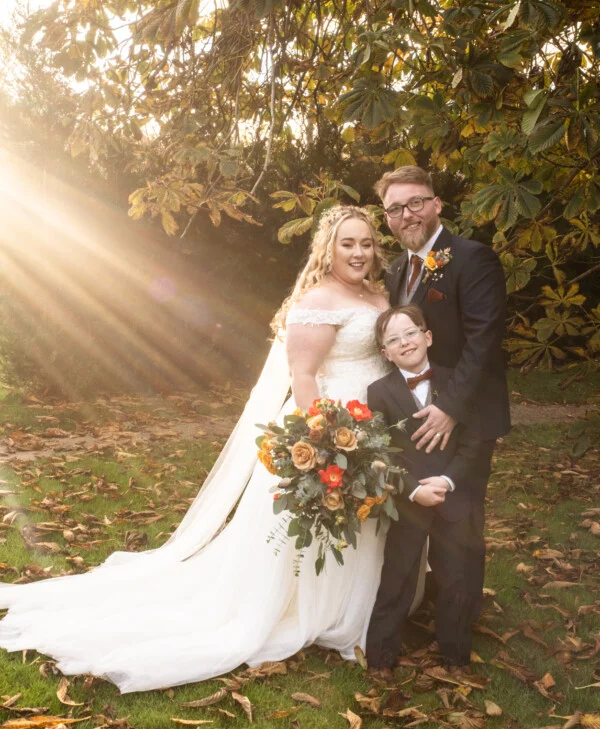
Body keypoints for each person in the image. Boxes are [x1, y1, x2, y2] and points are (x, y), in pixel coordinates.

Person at [0, 205, 426, 693]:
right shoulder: (318, 298)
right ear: (327, 249)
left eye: (366, 243)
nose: (358, 252)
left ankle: (368, 606)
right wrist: (324, 440)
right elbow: (305, 375)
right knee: (332, 524)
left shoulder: (378, 294)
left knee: (374, 520)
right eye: (346, 243)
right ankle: (317, 611)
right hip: (335, 424)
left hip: (379, 424)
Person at [376, 166, 511, 660]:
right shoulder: (396, 270)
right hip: (417, 415)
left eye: (415, 203)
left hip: (468, 415)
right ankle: (420, 604)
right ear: (387, 218)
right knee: (417, 512)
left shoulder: (473, 258)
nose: (406, 214)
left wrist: (450, 408)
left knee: (462, 519)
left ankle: (457, 630)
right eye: (395, 208)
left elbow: (483, 341)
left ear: (436, 204)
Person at [365, 305, 481, 679]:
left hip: (452, 495)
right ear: (385, 353)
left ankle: (456, 655)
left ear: (427, 336)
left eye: (410, 333)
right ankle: (381, 657)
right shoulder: (379, 392)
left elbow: (474, 443)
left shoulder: (455, 383)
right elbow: (377, 452)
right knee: (397, 575)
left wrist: (448, 482)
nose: (404, 342)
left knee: (456, 578)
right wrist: (412, 489)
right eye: (393, 340)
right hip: (408, 500)